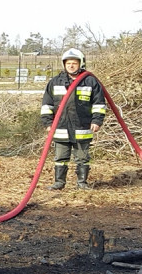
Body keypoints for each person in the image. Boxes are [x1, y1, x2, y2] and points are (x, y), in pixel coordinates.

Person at [40, 48, 107, 190]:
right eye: (68, 63)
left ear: (81, 64)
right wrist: (48, 123)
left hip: (82, 127)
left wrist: (96, 121)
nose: (71, 65)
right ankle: (59, 182)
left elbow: (99, 104)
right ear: (64, 64)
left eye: (74, 63)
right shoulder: (55, 82)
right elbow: (47, 104)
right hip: (61, 127)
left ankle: (82, 183)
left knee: (82, 157)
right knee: (60, 158)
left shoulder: (90, 81)